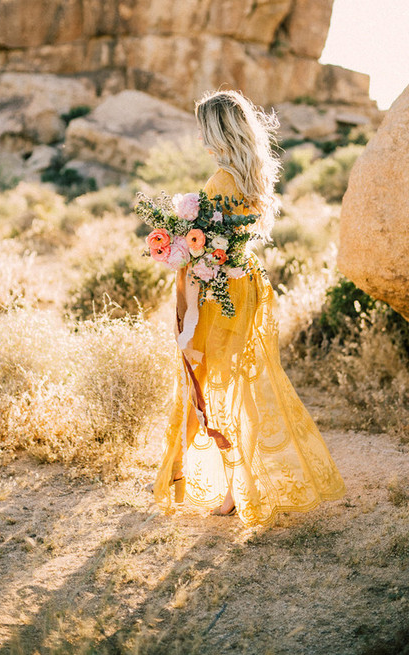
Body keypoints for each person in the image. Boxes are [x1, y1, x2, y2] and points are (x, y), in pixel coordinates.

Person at [153, 90, 345, 525]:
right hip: (247, 284)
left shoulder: (221, 181)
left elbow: (207, 249)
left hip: (219, 293)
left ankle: (222, 486)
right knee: (235, 383)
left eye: (204, 129)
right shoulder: (252, 176)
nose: (200, 139)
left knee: (208, 383)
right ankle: (199, 477)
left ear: (218, 132)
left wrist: (179, 254)